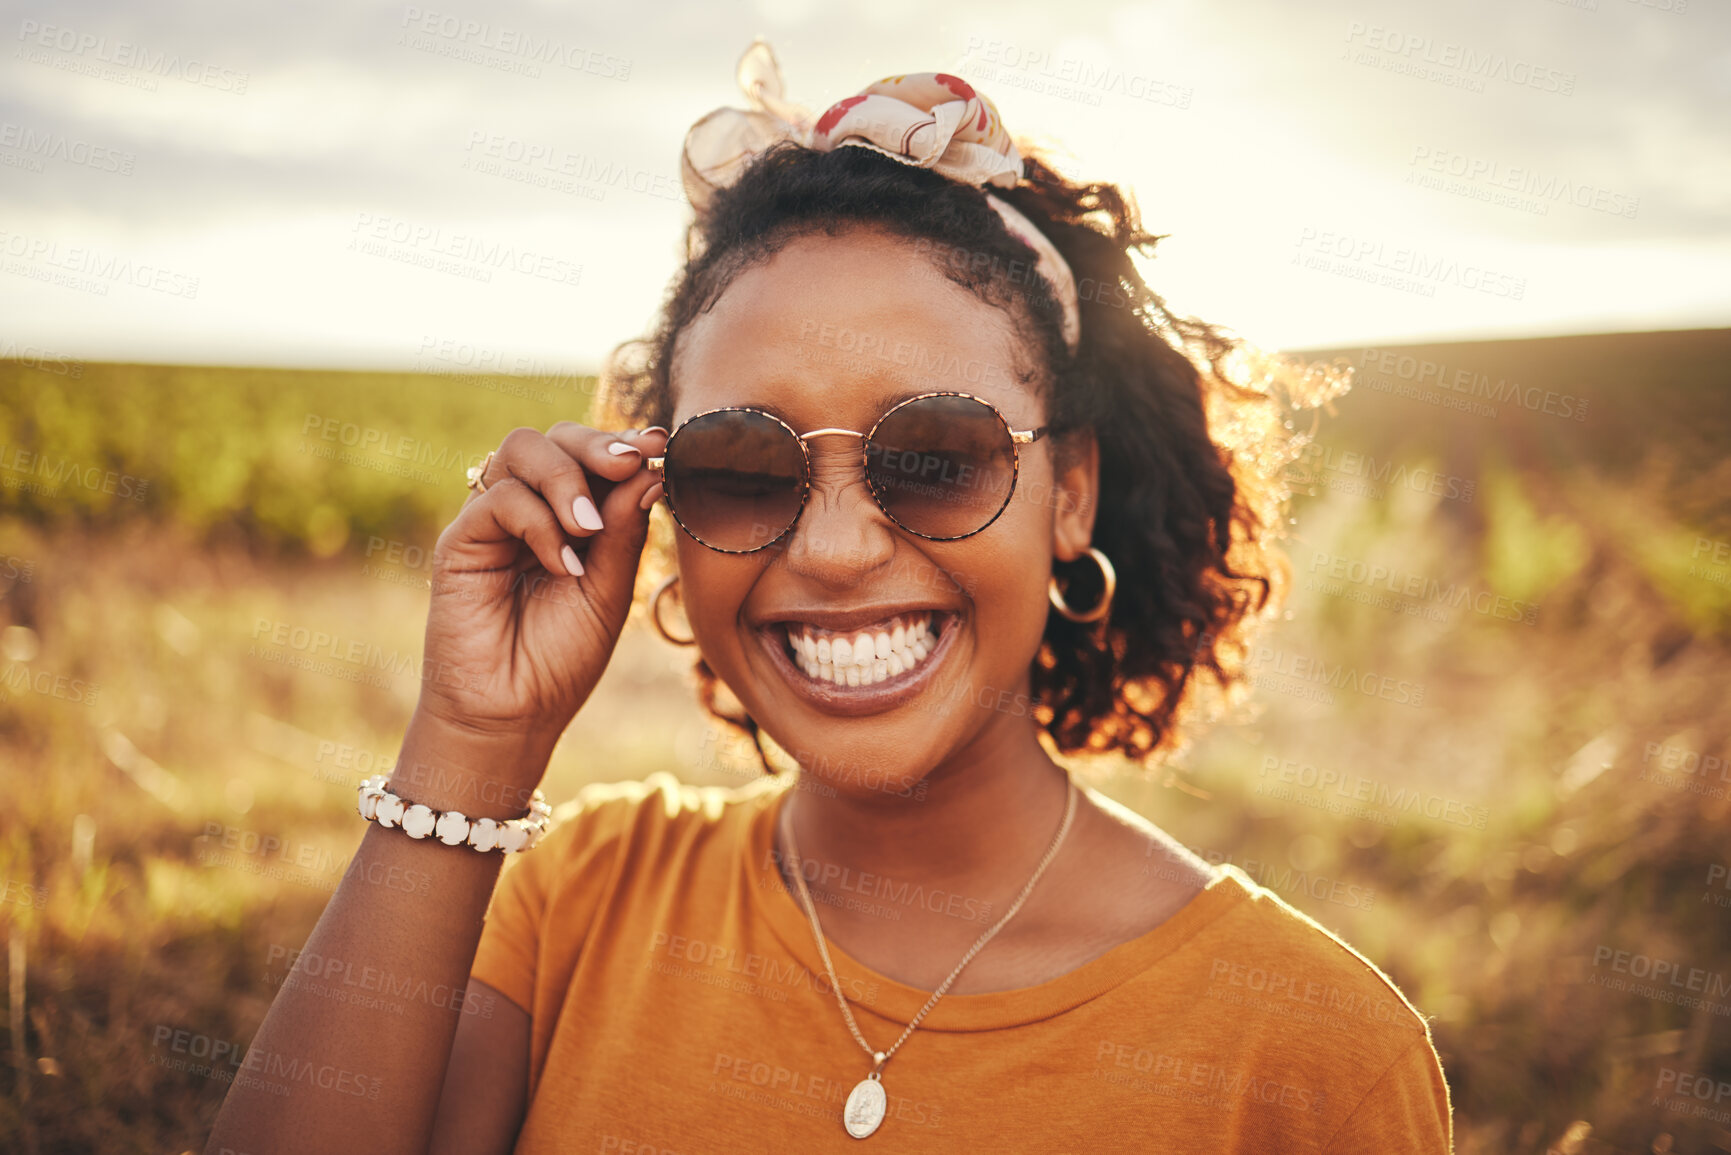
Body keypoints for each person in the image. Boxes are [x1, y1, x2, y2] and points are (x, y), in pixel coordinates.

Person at [208, 41, 1452, 1154]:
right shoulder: (577, 902)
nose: (842, 547)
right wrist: (473, 744)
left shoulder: (1310, 1058)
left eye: (933, 455)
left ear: (1069, 491)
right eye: (743, 469)